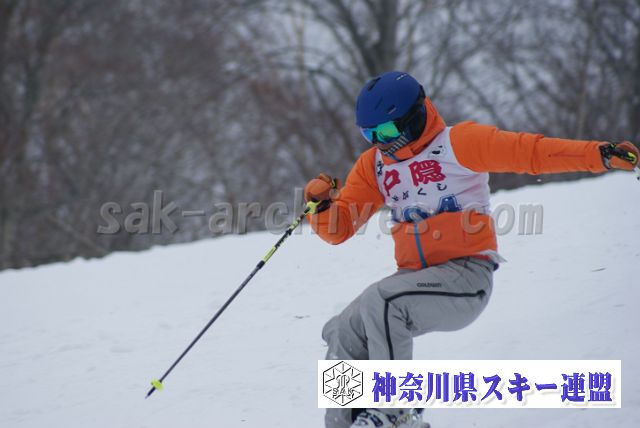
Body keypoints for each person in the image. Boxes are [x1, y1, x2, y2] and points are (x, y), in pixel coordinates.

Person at [303, 71, 639, 428]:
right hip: (413, 281)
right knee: (342, 328)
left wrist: (600, 155)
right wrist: (319, 207)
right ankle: (342, 421)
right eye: (368, 134)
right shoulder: (375, 166)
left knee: (381, 301)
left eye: (385, 131)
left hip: (465, 277)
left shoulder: (458, 143)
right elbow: (339, 229)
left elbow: (533, 152)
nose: (379, 143)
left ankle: (396, 411)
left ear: (413, 116)